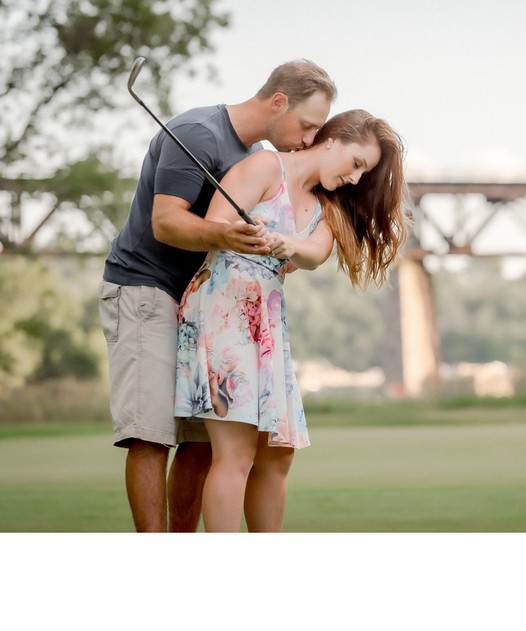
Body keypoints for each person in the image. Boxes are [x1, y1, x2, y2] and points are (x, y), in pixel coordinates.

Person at [98, 59, 337, 532]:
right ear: (277, 102)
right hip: (145, 288)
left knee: (201, 440)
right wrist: (227, 237)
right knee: (150, 435)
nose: (308, 139)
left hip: (198, 307)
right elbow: (166, 223)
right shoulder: (200, 133)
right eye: (307, 125)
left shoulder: (257, 155)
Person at [174, 109, 408, 532]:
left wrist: (282, 242)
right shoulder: (267, 166)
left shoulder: (327, 207)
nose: (356, 179)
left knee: (278, 454)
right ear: (333, 139)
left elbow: (314, 254)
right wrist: (242, 234)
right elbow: (214, 225)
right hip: (224, 306)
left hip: (266, 320)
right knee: (236, 453)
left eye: (364, 173)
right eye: (357, 163)